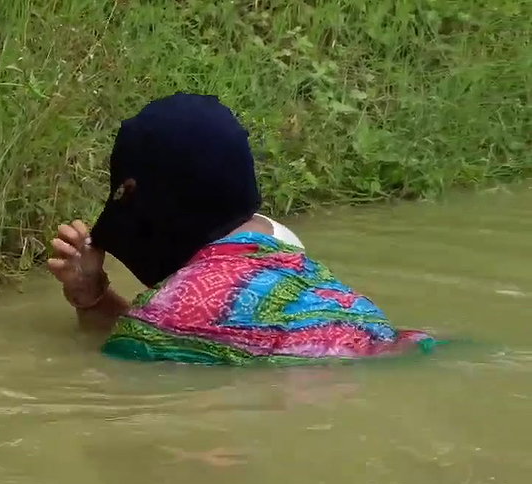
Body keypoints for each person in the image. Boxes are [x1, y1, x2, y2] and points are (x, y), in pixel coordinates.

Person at [45, 92, 435, 365]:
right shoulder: (292, 258)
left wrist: (91, 298)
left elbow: (125, 355)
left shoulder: (170, 314)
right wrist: (92, 293)